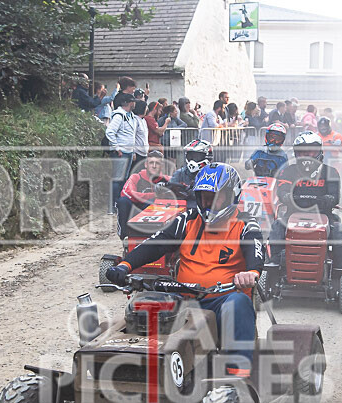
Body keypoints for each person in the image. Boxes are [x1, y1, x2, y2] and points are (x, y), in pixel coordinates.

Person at [106, 163, 265, 377]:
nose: (208, 203)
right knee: (144, 304)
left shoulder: (245, 223)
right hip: (182, 297)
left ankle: (237, 376)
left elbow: (255, 248)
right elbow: (157, 242)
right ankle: (138, 369)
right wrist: (125, 266)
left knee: (239, 303)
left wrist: (252, 273)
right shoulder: (188, 219)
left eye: (214, 197)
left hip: (221, 300)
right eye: (204, 197)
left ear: (230, 196)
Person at [270, 131, 342, 273]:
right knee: (277, 226)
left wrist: (327, 200)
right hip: (293, 214)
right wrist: (286, 196)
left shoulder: (330, 172)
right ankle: (274, 265)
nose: (307, 156)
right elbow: (282, 190)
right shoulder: (288, 171)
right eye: (302, 152)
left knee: (339, 231)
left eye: (311, 152)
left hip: (324, 215)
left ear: (319, 152)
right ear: (296, 153)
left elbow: (334, 196)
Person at [116, 150, 170, 239]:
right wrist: (153, 195)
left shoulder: (167, 180)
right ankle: (125, 236)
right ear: (146, 164)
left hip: (157, 213)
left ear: (162, 166)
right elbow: (126, 193)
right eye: (151, 163)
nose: (154, 166)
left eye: (157, 163)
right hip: (135, 210)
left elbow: (182, 186)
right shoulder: (136, 177)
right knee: (123, 201)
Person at [105, 93, 139, 209]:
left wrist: (133, 151)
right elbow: (110, 132)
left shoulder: (130, 115)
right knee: (117, 179)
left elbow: (131, 135)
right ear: (129, 103)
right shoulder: (119, 115)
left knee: (123, 179)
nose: (134, 103)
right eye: (133, 101)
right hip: (121, 152)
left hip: (127, 151)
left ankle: (119, 203)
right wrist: (117, 148)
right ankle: (113, 204)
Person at [132, 99, 150, 167]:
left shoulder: (144, 120)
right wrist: (133, 152)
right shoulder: (135, 120)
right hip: (137, 153)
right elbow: (132, 136)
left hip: (144, 153)